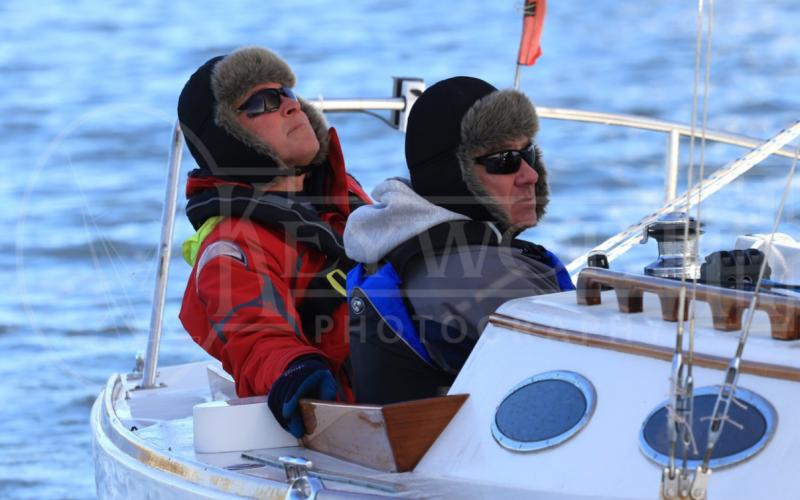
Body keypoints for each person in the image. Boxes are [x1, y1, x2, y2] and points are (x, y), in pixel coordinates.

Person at [344, 76, 574, 404]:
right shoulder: (476, 275)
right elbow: (579, 370)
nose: (530, 175)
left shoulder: (399, 245)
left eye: (529, 153)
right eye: (505, 161)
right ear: (453, 174)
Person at [177, 47, 370, 437]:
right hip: (361, 427)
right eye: (263, 102)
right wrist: (296, 372)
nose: (290, 105)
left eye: (288, 93)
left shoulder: (345, 199)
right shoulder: (232, 245)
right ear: (226, 138)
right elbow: (256, 339)